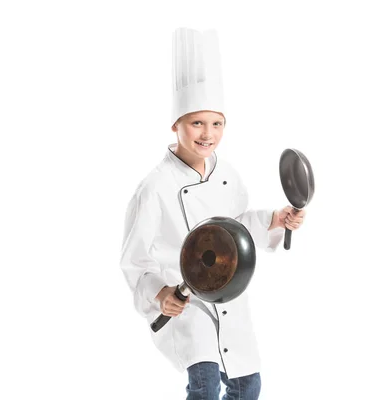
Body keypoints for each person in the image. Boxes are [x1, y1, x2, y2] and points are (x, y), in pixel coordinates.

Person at [120, 27, 306, 400]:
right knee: (204, 383)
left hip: (229, 296)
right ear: (176, 124)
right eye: (197, 123)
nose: (208, 134)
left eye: (216, 123)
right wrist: (160, 295)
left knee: (246, 385)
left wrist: (275, 218)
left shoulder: (228, 176)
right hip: (185, 299)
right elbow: (134, 262)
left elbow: (236, 230)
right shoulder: (153, 187)